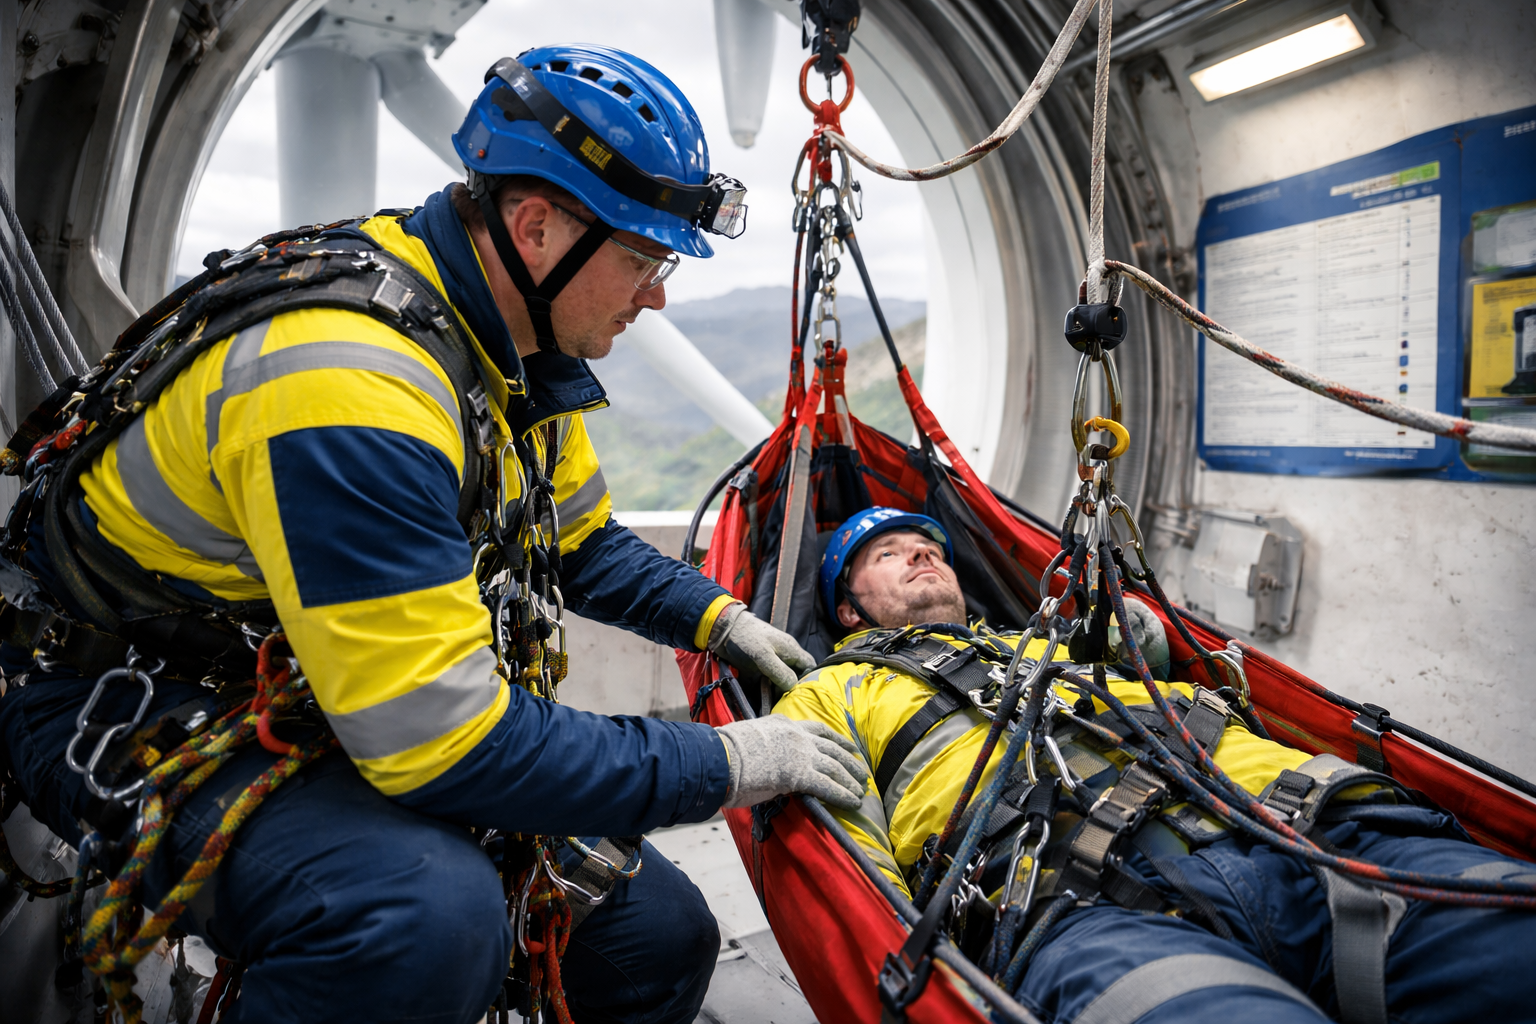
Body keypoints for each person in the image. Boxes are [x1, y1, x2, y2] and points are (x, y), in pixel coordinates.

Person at [0, 46, 867, 1023]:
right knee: (420, 913)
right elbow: (443, 744)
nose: (657, 293)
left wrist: (719, 621)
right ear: (537, 228)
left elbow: (575, 541)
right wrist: (733, 765)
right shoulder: (350, 384)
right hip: (129, 701)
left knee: (654, 938)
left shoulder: (502, 341)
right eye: (644, 258)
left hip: (307, 680)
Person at [772, 506, 1536, 1024]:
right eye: (887, 553)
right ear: (848, 610)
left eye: (931, 547)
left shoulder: (1060, 640)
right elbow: (850, 871)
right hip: (1082, 912)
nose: (921, 553)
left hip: (1303, 830)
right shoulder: (830, 692)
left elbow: (1178, 674)